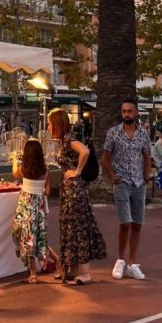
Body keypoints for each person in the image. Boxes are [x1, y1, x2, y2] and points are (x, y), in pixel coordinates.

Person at [50, 107, 106, 286]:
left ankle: (84, 272)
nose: (48, 127)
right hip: (70, 189)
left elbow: (85, 151)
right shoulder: (64, 140)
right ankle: (72, 268)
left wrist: (77, 171)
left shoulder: (68, 140)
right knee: (70, 226)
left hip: (74, 189)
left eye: (50, 123)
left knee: (77, 226)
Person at [102, 99, 152, 281]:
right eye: (124, 111)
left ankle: (133, 263)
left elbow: (147, 156)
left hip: (139, 183)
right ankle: (120, 260)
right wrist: (113, 176)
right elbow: (105, 158)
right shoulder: (113, 133)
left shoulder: (143, 134)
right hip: (122, 182)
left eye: (130, 111)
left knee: (138, 223)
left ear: (136, 113)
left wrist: (146, 176)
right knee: (125, 223)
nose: (126, 114)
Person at [11, 138, 54, 282]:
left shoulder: (24, 168)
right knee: (38, 237)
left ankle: (32, 273)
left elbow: (14, 174)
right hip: (39, 209)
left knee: (25, 236)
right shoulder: (45, 170)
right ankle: (51, 262)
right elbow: (48, 192)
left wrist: (15, 161)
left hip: (25, 207)